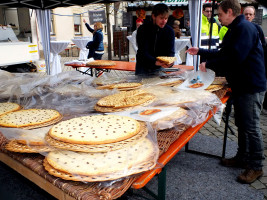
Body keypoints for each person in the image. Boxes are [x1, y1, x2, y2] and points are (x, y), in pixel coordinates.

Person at [186, 0, 266, 184]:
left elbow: (235, 58)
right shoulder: (235, 28)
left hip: (250, 85)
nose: (218, 18)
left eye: (220, 14)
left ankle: (256, 166)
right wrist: (200, 52)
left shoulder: (244, 28)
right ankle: (242, 157)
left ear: (230, 12)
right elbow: (224, 52)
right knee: (242, 124)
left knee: (251, 127)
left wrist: (210, 64)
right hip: (241, 84)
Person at [135, 3, 175, 76]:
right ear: (153, 16)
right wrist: (154, 62)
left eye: (166, 18)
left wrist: (170, 62)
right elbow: (143, 51)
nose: (164, 21)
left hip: (160, 68)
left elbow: (171, 51)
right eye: (161, 18)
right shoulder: (143, 29)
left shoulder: (169, 31)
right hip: (143, 67)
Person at [243, 6, 267, 113]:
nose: (248, 16)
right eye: (246, 14)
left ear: (253, 16)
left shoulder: (258, 29)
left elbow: (263, 46)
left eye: (250, 14)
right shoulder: (240, 28)